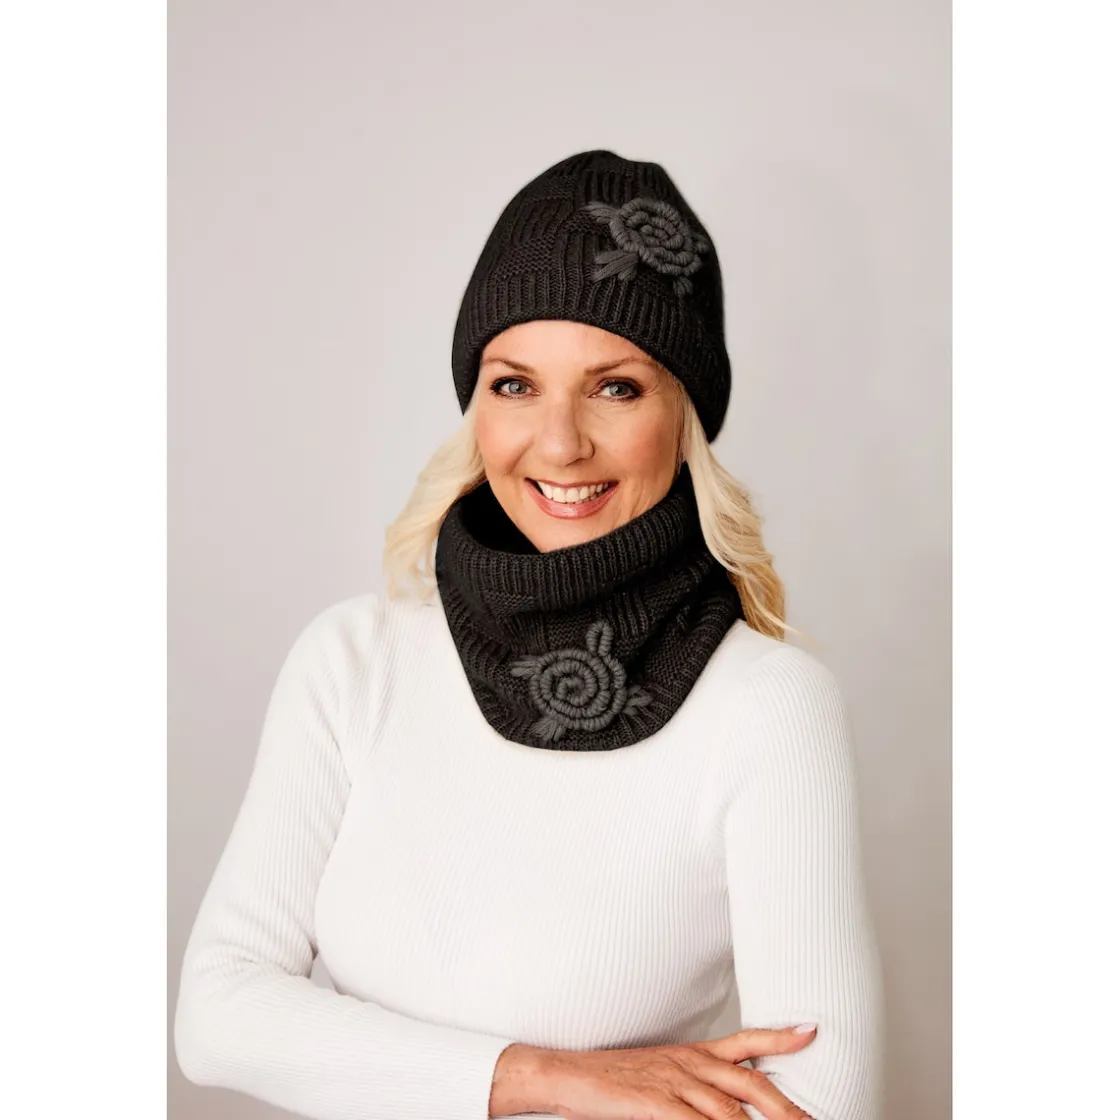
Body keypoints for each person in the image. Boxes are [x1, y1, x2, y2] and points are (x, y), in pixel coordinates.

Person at [174, 150, 884, 1120]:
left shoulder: (767, 705)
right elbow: (218, 1013)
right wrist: (545, 1076)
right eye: (514, 385)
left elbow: (818, 1102)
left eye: (615, 387)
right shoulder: (352, 662)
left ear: (684, 413)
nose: (558, 443)